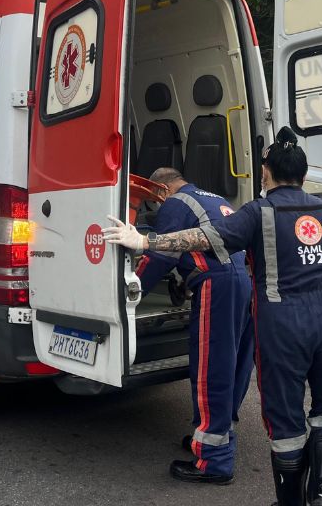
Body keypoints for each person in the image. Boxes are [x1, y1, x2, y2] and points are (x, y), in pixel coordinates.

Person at [105, 127, 322, 506]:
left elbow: (200, 239)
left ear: (265, 173)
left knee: (286, 425)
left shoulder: (258, 213)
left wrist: (145, 241)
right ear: (304, 176)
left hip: (284, 322)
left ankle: (287, 499)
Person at [136, 167, 253, 485]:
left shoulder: (176, 203)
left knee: (211, 370)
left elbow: (161, 253)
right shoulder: (215, 198)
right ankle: (212, 440)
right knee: (230, 369)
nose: (157, 208)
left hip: (219, 286)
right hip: (243, 282)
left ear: (162, 189)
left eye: (155, 200)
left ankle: (214, 462)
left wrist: (130, 294)